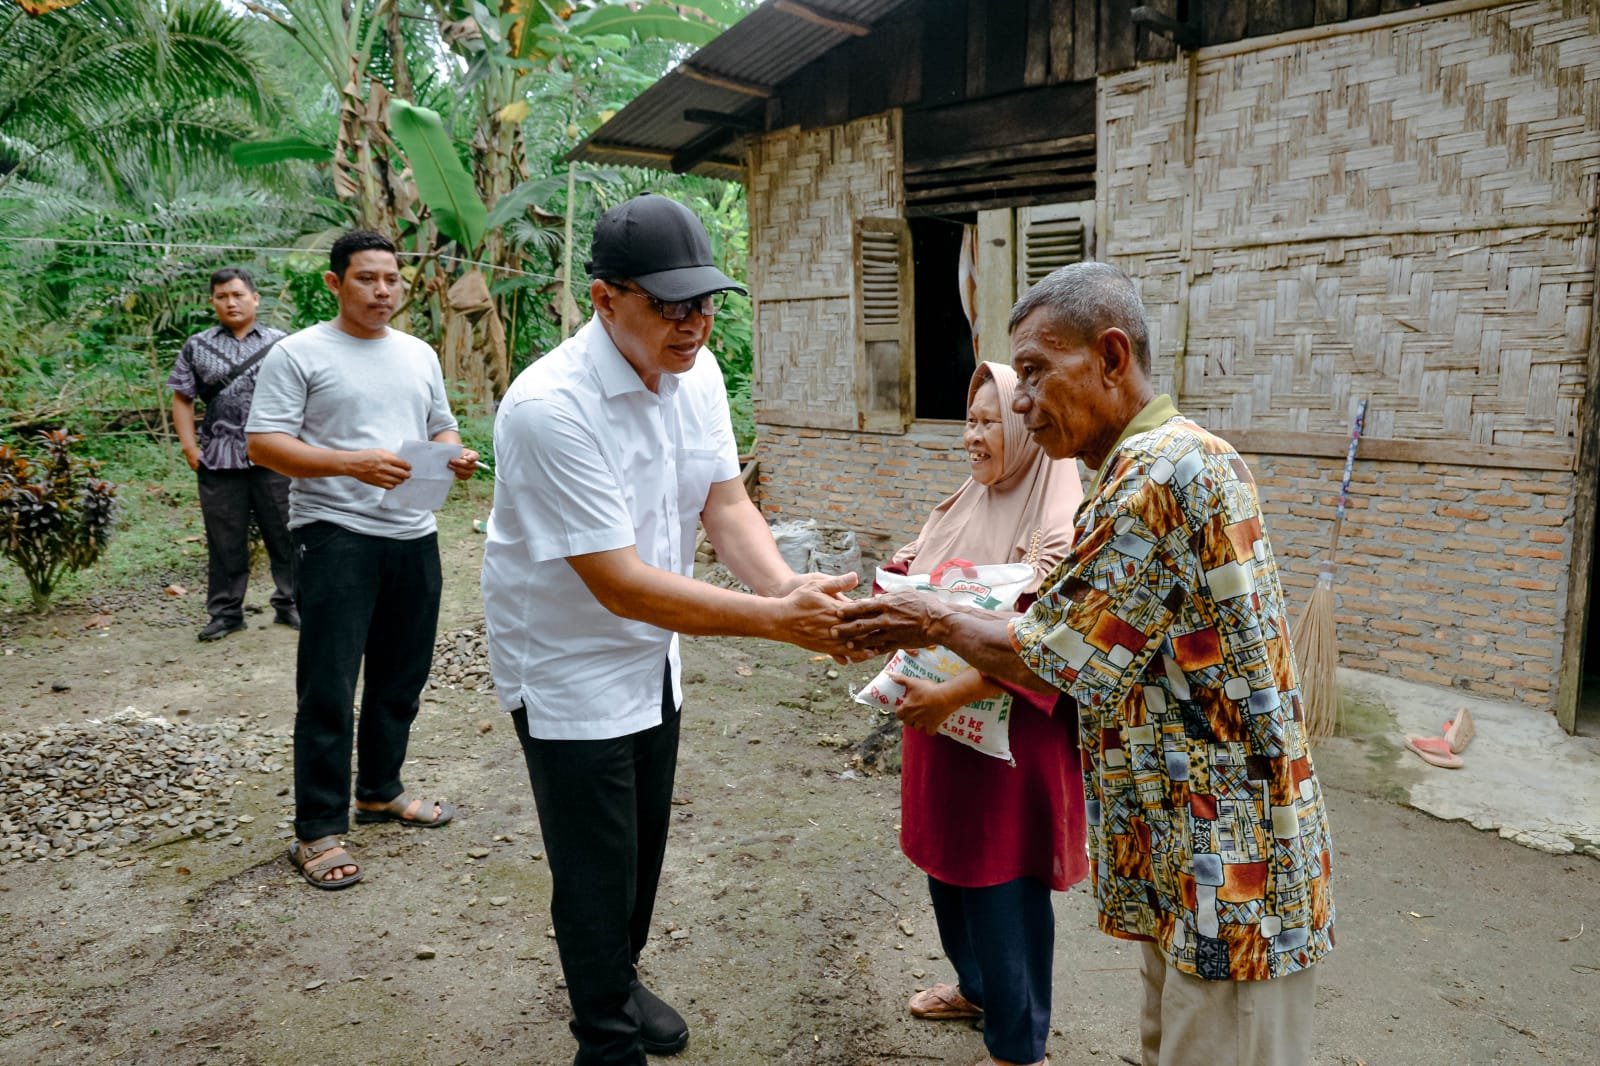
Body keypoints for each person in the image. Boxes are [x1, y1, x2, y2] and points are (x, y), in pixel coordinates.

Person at [835, 262, 1335, 1066]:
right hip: (1198, 862)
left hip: (1232, 873)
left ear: (1110, 357)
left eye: (1035, 370)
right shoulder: (1149, 467)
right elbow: (1062, 630)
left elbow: (1053, 657)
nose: (1021, 399)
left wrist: (926, 615)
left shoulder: (1162, 474)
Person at [481, 193, 856, 1066]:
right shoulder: (549, 407)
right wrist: (777, 621)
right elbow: (618, 583)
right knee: (595, 865)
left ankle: (619, 981)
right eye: (669, 305)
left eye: (705, 304)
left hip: (655, 653)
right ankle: (604, 1039)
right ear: (605, 299)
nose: (693, 325)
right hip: (569, 664)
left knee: (642, 846)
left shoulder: (698, 374)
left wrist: (788, 585)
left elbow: (725, 504)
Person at [246, 230, 478, 891]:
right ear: (335, 283)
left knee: (401, 676)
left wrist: (453, 453)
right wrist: (353, 464)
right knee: (329, 685)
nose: (382, 291)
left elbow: (439, 424)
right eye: (366, 279)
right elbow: (263, 444)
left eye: (391, 279)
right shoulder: (299, 352)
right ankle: (317, 828)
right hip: (334, 533)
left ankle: (379, 790)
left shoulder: (417, 353)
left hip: (414, 530)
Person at [888, 361, 1086, 1066]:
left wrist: (952, 692)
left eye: (989, 423)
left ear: (1026, 434)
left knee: (1004, 886)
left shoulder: (1058, 528)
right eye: (968, 422)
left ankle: (1019, 1045)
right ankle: (976, 989)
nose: (972, 437)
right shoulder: (964, 504)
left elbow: (1049, 643)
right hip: (941, 727)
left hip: (1009, 743)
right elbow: (921, 582)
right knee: (949, 869)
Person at [166, 267, 296, 642]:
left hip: (275, 455)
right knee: (224, 541)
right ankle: (226, 613)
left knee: (286, 532)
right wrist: (190, 447)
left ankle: (292, 602)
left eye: (238, 295)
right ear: (212, 302)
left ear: (255, 298)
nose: (231, 303)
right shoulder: (197, 345)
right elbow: (182, 398)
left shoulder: (283, 344)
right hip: (219, 458)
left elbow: (301, 395)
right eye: (222, 297)